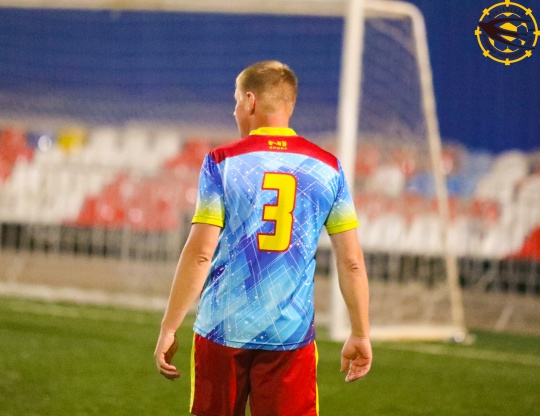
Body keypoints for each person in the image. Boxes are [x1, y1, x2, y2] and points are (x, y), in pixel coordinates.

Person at [154, 60, 372, 416]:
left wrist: (169, 327)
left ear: (250, 101)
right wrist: (360, 333)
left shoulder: (221, 162)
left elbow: (200, 253)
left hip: (222, 330)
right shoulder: (327, 167)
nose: (234, 110)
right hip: (290, 337)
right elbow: (351, 261)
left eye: (236, 101)